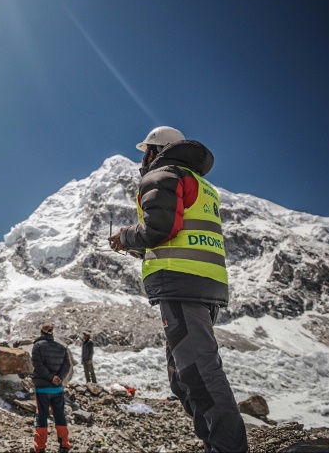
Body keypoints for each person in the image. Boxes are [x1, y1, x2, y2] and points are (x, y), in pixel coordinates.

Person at [107, 126, 248, 453]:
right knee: (184, 377)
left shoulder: (162, 176)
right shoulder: (200, 183)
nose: (142, 160)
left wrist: (126, 236)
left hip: (181, 282)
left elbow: (161, 228)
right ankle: (215, 443)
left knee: (199, 373)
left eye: (145, 152)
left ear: (154, 151)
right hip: (203, 282)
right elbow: (182, 231)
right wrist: (141, 248)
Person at [31, 322, 72, 453]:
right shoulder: (61, 347)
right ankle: (64, 444)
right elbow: (67, 365)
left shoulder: (37, 346)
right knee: (60, 416)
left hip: (42, 388)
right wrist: (59, 377)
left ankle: (40, 447)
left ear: (41, 332)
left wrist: (50, 377)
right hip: (57, 389)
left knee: (42, 417)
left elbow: (38, 365)